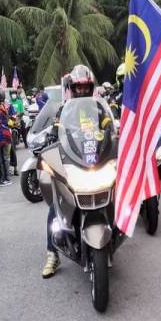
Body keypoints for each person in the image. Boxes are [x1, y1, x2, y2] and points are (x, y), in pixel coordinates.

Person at [42, 65, 96, 279]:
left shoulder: (99, 110)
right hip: (72, 163)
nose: (82, 92)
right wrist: (47, 139)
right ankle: (52, 253)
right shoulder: (63, 111)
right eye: (78, 88)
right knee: (56, 205)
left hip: (94, 161)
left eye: (86, 88)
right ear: (71, 88)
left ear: (91, 88)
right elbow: (55, 131)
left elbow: (110, 128)